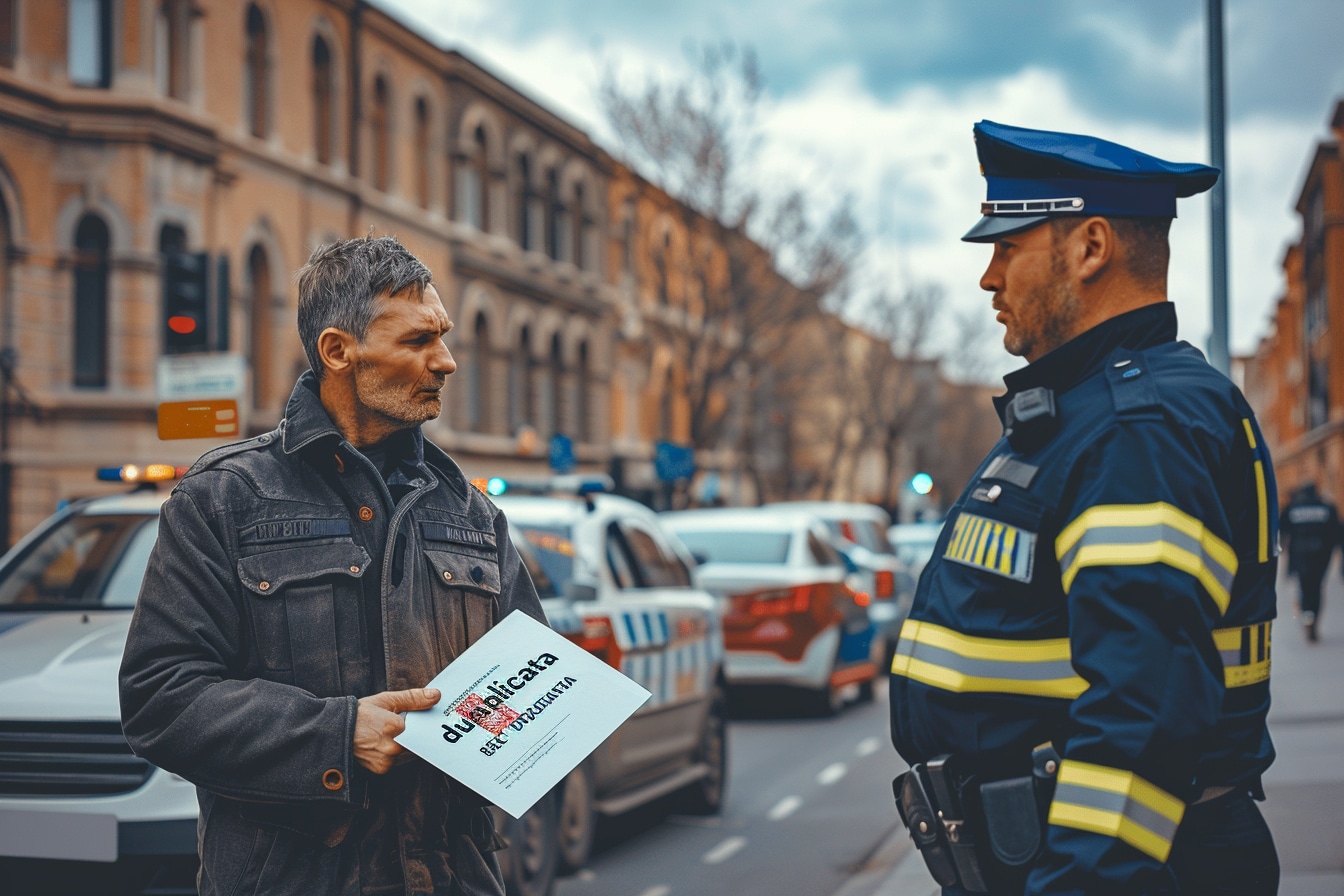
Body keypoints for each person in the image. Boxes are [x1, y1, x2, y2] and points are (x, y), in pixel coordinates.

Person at [888, 121, 1279, 896]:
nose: (988, 279)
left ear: (1090, 247)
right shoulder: (1087, 414)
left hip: (1122, 869)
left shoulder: (1140, 426)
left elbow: (1146, 712)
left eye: (1007, 248)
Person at [119, 236, 546, 896]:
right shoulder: (225, 497)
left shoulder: (470, 512)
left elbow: (528, 686)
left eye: (445, 336)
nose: (447, 361)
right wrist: (338, 736)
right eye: (417, 341)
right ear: (338, 351)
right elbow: (160, 698)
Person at [1280, 481, 1340, 641]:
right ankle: (1313, 621)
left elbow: (1281, 528)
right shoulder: (1326, 507)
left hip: (1300, 556)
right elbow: (1338, 533)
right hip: (1321, 558)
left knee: (1304, 588)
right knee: (1316, 588)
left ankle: (1307, 618)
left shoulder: (1293, 507)